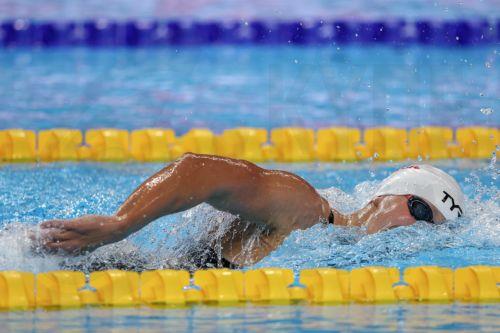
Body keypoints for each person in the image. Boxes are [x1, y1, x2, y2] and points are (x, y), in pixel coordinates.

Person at [38, 153, 465, 269]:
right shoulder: (309, 209)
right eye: (417, 208)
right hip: (104, 273)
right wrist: (121, 224)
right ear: (381, 198)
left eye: (430, 226)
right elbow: (198, 171)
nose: (414, 227)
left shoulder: (337, 252)